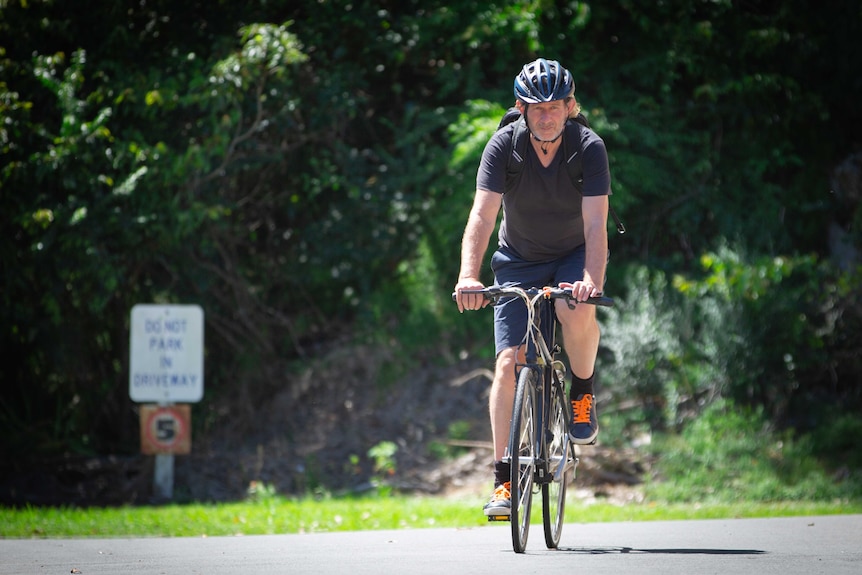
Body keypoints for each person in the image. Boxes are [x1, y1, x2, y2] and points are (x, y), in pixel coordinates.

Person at [453, 58, 610, 517]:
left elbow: (597, 223)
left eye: (554, 106)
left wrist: (590, 282)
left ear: (569, 106)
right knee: (507, 363)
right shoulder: (505, 146)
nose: (545, 116)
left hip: (573, 254)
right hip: (518, 258)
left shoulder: (589, 148)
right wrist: (469, 276)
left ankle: (581, 390)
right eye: (536, 107)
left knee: (576, 311)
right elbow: (482, 217)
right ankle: (503, 478)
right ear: (521, 108)